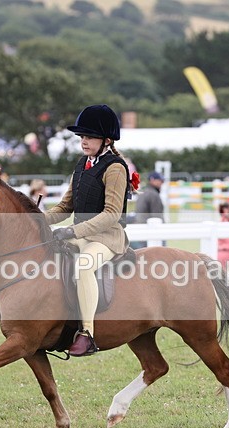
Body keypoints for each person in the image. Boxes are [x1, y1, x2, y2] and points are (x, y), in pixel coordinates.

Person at [46, 104, 130, 356]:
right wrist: (35, 219)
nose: (83, 141)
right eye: (81, 136)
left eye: (89, 136)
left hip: (106, 239)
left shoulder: (115, 168)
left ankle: (87, 334)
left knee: (83, 266)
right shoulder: (82, 164)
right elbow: (65, 207)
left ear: (106, 140)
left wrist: (73, 231)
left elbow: (112, 214)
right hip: (81, 235)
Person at [131, 171, 165, 249]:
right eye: (160, 180)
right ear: (152, 180)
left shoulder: (144, 192)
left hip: (140, 230)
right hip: (149, 230)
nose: (161, 183)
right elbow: (157, 216)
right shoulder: (153, 194)